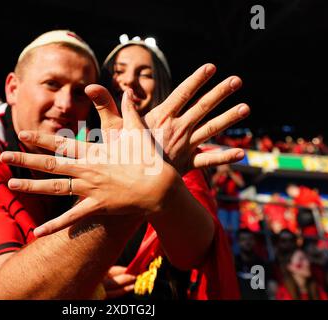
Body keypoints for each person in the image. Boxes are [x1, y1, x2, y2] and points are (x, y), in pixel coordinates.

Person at [0, 30, 249, 300]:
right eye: (52, 84)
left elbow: (199, 254)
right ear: (12, 88)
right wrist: (134, 187)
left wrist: (159, 182)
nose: (64, 103)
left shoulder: (89, 157)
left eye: (79, 91)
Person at [93, 38, 243, 299]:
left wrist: (160, 172)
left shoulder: (182, 158)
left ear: (160, 85)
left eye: (146, 74)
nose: (129, 80)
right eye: (118, 71)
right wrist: (85, 282)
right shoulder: (72, 143)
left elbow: (196, 253)